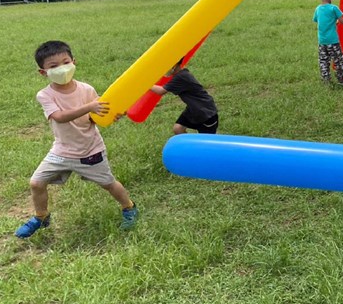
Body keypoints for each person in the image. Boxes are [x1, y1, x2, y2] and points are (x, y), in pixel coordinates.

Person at [15, 40, 139, 238]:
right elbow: (59, 117)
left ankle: (129, 207)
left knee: (109, 184)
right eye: (53, 66)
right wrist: (89, 107)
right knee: (36, 183)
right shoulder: (45, 95)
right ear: (43, 72)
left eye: (65, 62)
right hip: (62, 151)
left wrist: (112, 115)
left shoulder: (87, 90)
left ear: (74, 61)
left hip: (90, 150)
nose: (61, 69)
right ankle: (41, 217)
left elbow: (95, 116)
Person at [150, 60, 218, 134]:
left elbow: (160, 91)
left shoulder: (181, 77)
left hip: (205, 112)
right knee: (178, 128)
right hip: (193, 110)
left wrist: (145, 84)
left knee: (205, 142)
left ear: (174, 65)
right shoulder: (182, 73)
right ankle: (189, 145)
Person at [313, 0, 343, 86]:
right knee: (339, 61)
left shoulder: (317, 9)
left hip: (322, 41)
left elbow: (319, 21)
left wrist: (333, 22)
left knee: (323, 61)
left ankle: (326, 80)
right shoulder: (333, 8)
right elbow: (342, 21)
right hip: (333, 41)